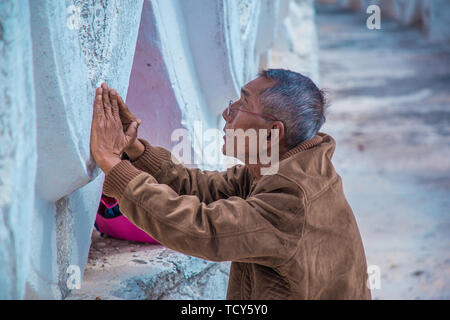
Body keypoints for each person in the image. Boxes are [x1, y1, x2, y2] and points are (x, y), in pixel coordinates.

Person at [89, 68, 371, 300]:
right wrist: (137, 151)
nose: (227, 113)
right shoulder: (278, 167)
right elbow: (205, 190)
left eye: (242, 105)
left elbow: (203, 230)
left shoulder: (292, 198)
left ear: (273, 133)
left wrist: (113, 166)